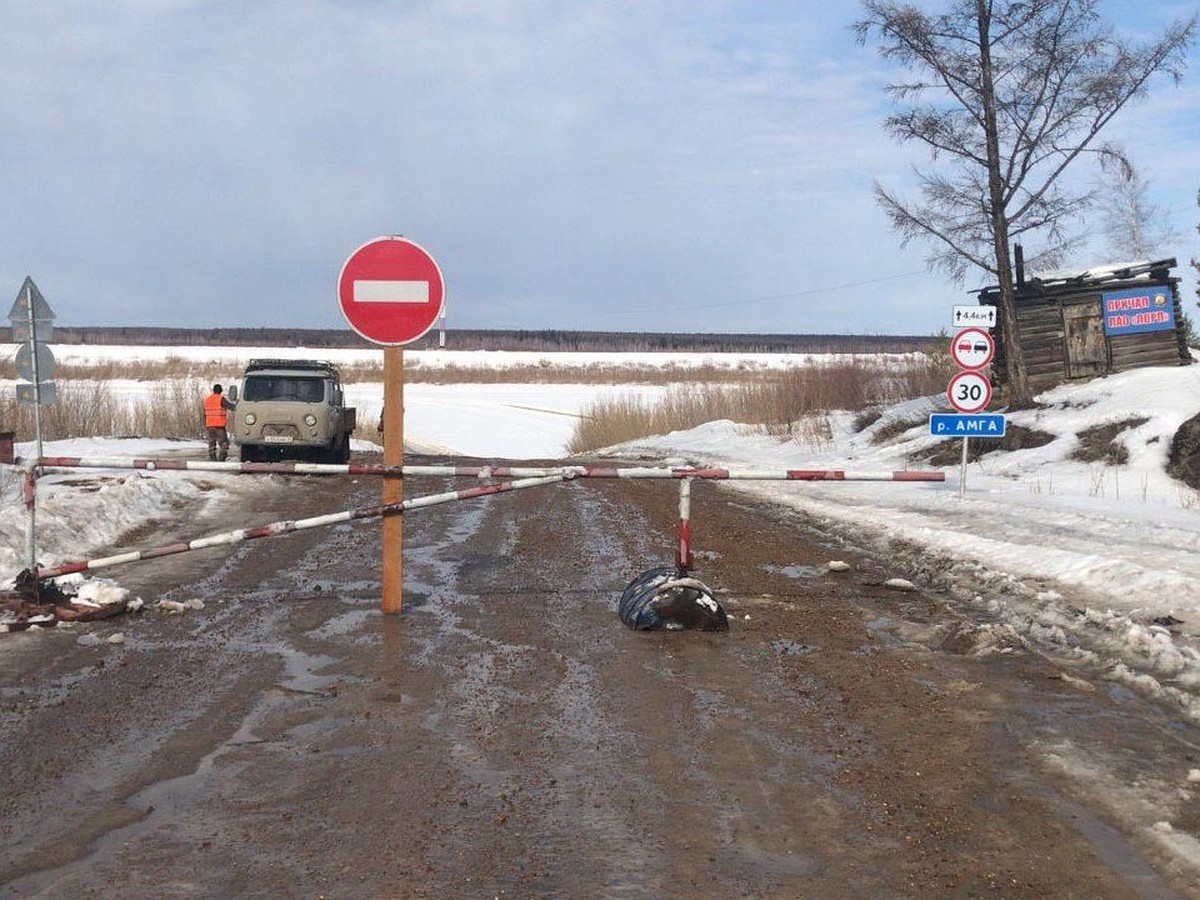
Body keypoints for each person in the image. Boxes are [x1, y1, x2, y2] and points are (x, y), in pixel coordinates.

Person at [203, 383, 234, 461]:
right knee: (224, 443)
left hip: (209, 425)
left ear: (213, 390)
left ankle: (213, 459)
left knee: (212, 443)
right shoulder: (221, 399)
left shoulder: (207, 400)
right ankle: (222, 459)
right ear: (220, 391)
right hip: (219, 425)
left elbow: (205, 414)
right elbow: (231, 407)